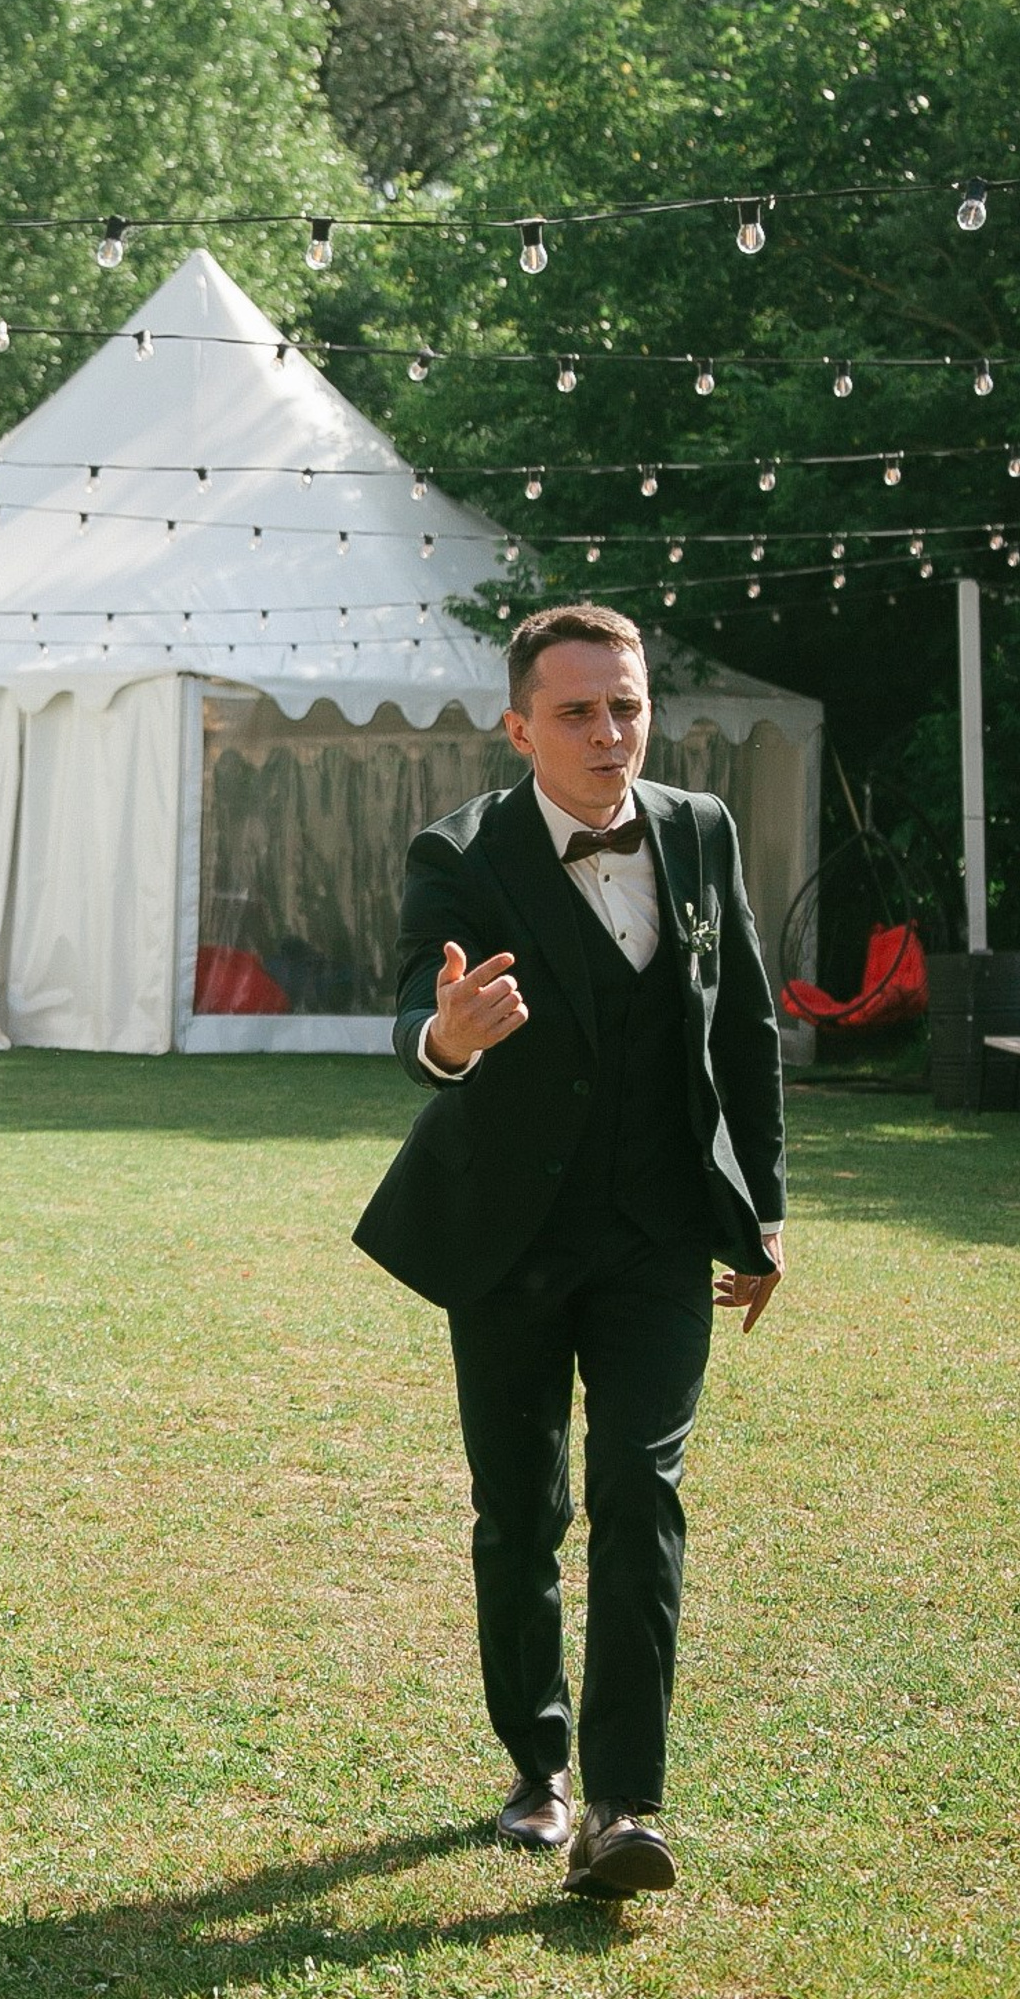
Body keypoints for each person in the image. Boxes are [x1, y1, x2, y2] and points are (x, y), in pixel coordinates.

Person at [354, 604, 786, 1901]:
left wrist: (761, 1210)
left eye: (629, 707)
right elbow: (407, 1024)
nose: (610, 734)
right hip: (509, 1235)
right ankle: (536, 1768)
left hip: (661, 1237)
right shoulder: (463, 851)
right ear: (520, 725)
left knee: (641, 1494)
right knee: (520, 1512)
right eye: (580, 713)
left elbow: (746, 1027)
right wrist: (453, 1040)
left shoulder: (700, 834)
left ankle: (623, 1805)